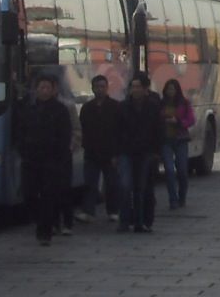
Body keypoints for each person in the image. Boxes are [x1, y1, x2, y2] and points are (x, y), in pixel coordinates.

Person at [14, 72, 73, 246]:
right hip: (30, 159)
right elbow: (20, 131)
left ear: (53, 90)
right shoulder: (28, 109)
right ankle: (40, 220)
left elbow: (65, 135)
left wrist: (60, 156)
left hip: (51, 160)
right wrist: (23, 150)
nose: (44, 90)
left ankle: (45, 232)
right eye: (41, 87)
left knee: (48, 196)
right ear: (36, 90)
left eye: (47, 87)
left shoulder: (60, 110)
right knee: (29, 194)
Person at [118, 73, 165, 232]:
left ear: (145, 89)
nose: (135, 90)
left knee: (142, 187)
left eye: (138, 87)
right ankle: (124, 221)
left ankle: (141, 221)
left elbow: (159, 130)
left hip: (146, 152)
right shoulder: (123, 107)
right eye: (133, 87)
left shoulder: (153, 107)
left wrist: (157, 151)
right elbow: (116, 130)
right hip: (126, 151)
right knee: (125, 186)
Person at [78, 74, 122, 221]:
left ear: (107, 88)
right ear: (92, 88)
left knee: (112, 183)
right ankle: (88, 211)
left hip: (110, 152)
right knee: (90, 183)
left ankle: (113, 211)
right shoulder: (87, 108)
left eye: (102, 86)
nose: (100, 89)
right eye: (97, 87)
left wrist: (117, 152)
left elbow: (120, 130)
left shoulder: (115, 106)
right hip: (91, 151)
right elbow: (83, 128)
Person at [158, 77, 196, 210]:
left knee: (182, 170)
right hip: (166, 141)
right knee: (169, 170)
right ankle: (172, 199)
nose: (170, 92)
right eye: (168, 89)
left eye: (173, 89)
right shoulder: (161, 104)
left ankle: (182, 196)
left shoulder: (184, 103)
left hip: (180, 139)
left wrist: (178, 122)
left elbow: (191, 120)